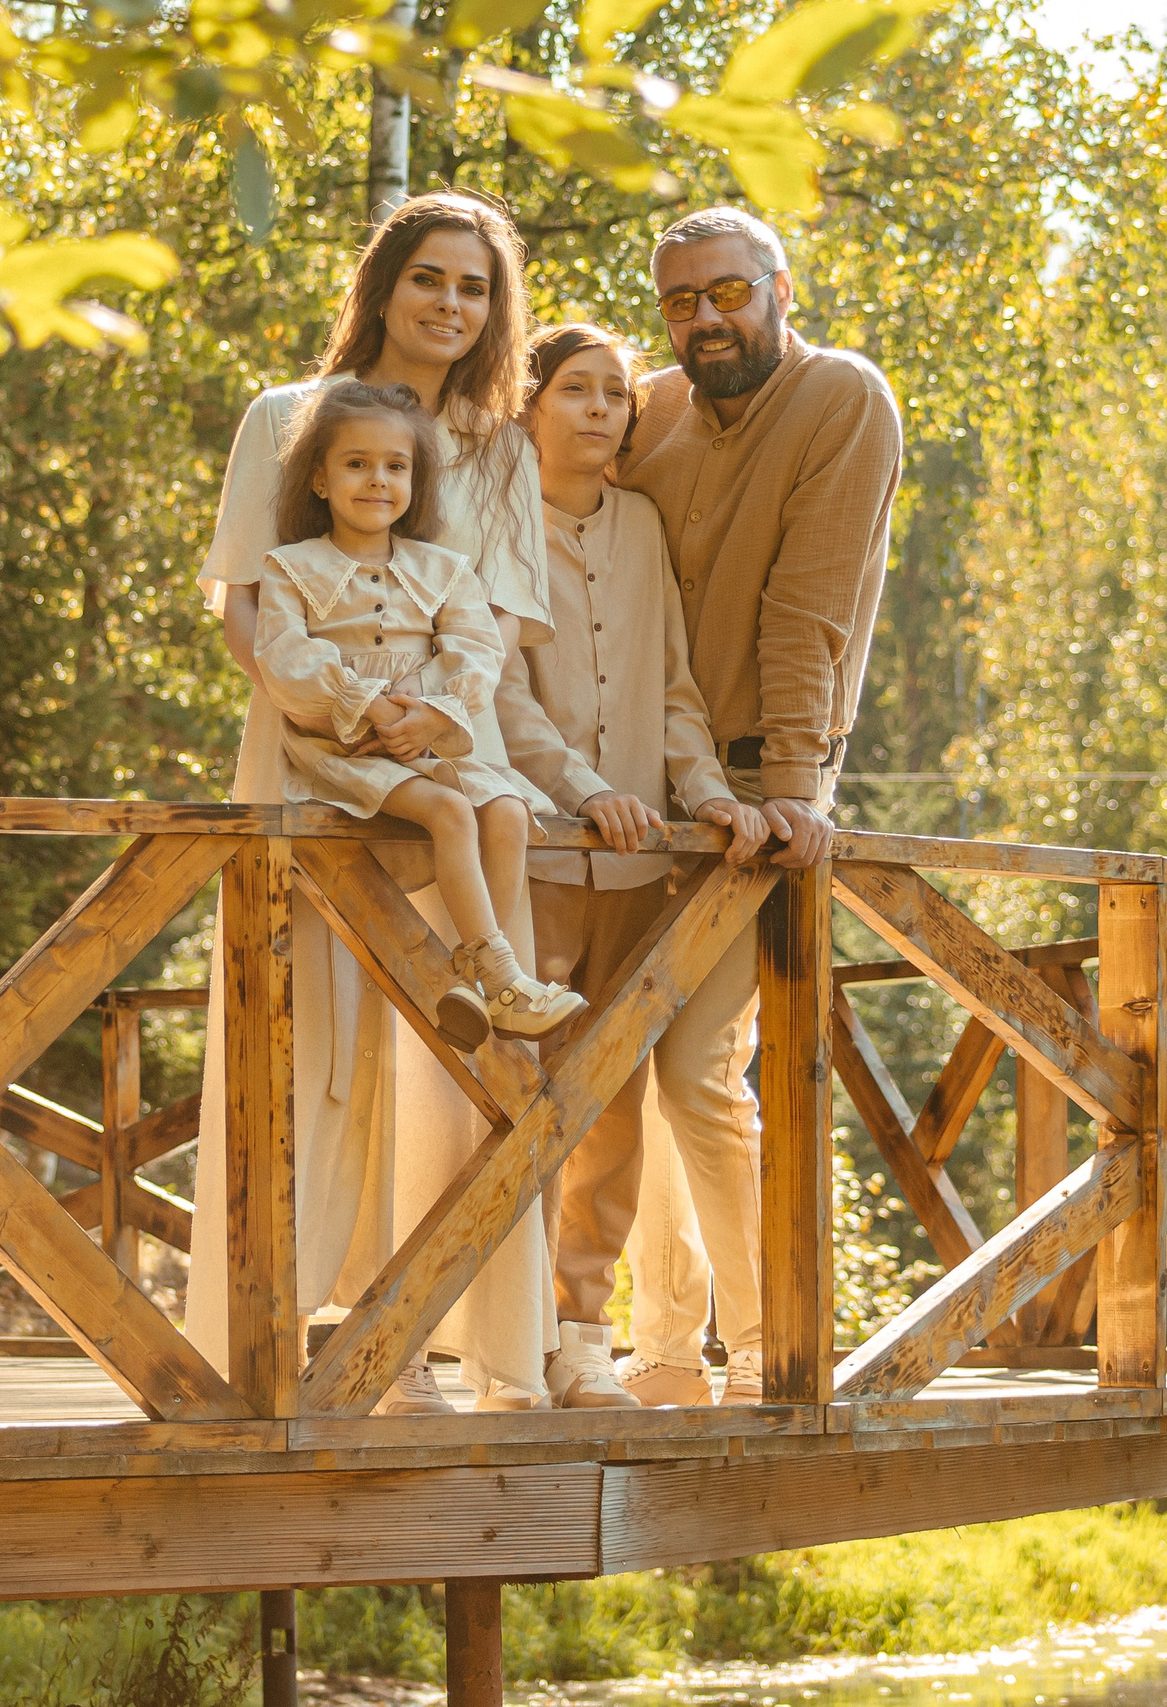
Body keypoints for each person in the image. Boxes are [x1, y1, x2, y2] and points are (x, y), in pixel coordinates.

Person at [191, 190, 595, 1415]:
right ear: (384, 284)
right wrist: (344, 708)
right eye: (430, 278)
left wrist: (435, 712)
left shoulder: (500, 448)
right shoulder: (284, 420)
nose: (450, 305)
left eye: (475, 287)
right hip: (312, 757)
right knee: (312, 1035)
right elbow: (243, 602)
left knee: (453, 1036)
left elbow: (508, 623)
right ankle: (290, 1340)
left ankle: (424, 1342)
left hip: (454, 758)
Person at [545, 207, 902, 1405]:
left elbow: (813, 606)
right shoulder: (644, 410)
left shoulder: (839, 399)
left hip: (761, 785)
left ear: (779, 287)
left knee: (699, 1063)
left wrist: (797, 785)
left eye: (726, 294)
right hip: (637, 787)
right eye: (681, 301)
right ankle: (660, 1352)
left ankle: (768, 1346)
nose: (705, 319)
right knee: (629, 1056)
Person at [500, 323, 772, 1407]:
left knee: (609, 1109)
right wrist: (579, 789)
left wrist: (703, 791)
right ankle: (494, 1335)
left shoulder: (642, 524)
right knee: (515, 1098)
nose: (603, 410)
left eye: (617, 393)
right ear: (529, 406)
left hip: (633, 870)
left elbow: (669, 687)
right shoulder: (491, 519)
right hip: (529, 852)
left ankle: (578, 1333)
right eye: (576, 390)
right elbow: (498, 690)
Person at [237, 379, 585, 1043]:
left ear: (415, 481)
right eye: (357, 463)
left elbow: (478, 652)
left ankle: (486, 974)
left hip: (431, 738)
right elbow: (284, 658)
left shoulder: (445, 570)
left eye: (395, 466)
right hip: (339, 748)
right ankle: (504, 979)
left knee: (509, 809)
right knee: (451, 811)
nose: (377, 480)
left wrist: (435, 715)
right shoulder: (290, 569)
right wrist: (366, 708)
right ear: (319, 478)